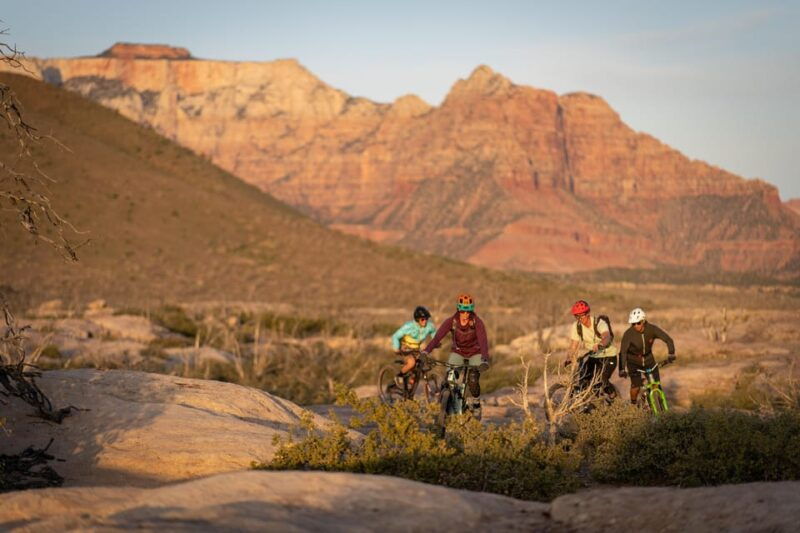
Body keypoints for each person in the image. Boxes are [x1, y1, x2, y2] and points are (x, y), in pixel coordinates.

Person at [421, 293, 489, 419]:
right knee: (449, 379)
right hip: (458, 352)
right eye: (463, 310)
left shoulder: (477, 322)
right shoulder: (451, 321)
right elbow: (437, 338)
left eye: (468, 311)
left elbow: (483, 341)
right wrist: (425, 352)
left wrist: (484, 359)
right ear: (459, 309)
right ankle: (445, 407)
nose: (465, 314)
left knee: (473, 379)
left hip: (475, 353)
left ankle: (476, 403)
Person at [618, 308, 676, 405]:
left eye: (638, 323)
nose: (636, 326)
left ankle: (660, 407)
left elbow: (668, 339)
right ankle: (633, 404)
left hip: (649, 360)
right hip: (633, 362)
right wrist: (621, 369)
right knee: (636, 386)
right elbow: (623, 352)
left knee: (656, 385)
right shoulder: (628, 334)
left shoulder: (652, 329)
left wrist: (671, 353)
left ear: (643, 321)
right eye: (633, 324)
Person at [567, 300, 618, 394]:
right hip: (593, 356)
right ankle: (588, 402)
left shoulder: (599, 323)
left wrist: (601, 344)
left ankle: (613, 396)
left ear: (588, 313)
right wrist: (569, 357)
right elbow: (573, 345)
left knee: (602, 380)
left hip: (609, 356)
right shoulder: (576, 326)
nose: (579, 318)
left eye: (581, 315)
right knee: (584, 379)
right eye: (576, 316)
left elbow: (607, 336)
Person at [389, 306, 436, 391]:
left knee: (424, 363)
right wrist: (396, 348)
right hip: (405, 348)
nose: (425, 321)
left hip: (416, 350)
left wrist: (436, 342)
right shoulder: (408, 326)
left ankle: (410, 388)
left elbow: (434, 333)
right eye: (422, 319)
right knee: (411, 362)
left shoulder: (429, 326)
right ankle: (399, 376)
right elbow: (395, 336)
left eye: (426, 319)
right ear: (417, 319)